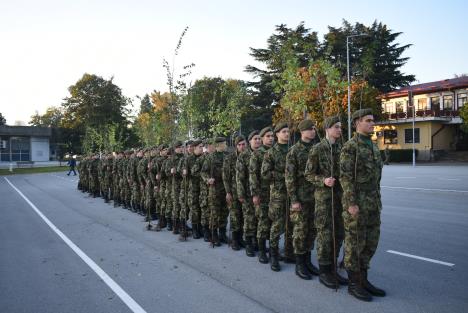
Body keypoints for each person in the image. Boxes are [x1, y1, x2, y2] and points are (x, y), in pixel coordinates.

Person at [340, 108, 386, 301]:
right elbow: (346, 177)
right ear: (357, 122)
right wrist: (351, 203)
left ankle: (363, 280)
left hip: (373, 203)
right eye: (368, 120)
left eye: (373, 120)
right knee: (355, 244)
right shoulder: (351, 147)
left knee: (370, 242)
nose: (372, 123)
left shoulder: (373, 146)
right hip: (357, 203)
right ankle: (353, 284)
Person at [305, 115, 348, 289]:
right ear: (328, 129)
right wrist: (323, 181)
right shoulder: (317, 149)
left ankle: (332, 268)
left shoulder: (343, 148)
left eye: (340, 127)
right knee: (324, 234)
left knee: (338, 233)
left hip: (340, 198)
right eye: (336, 127)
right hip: (324, 199)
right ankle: (324, 272)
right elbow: (308, 174)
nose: (339, 129)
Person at [285, 119, 319, 280]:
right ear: (302, 132)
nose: (313, 131)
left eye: (314, 128)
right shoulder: (294, 151)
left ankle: (307, 261)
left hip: (314, 196)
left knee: (311, 230)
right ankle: (299, 264)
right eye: (310, 129)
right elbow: (290, 178)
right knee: (300, 231)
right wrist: (294, 200)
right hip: (300, 197)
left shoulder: (315, 148)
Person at [261, 122, 293, 272]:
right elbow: (265, 173)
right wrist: (283, 175)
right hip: (278, 194)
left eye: (288, 131)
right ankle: (273, 254)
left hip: (293, 194)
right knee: (277, 226)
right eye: (284, 131)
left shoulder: (292, 150)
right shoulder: (271, 153)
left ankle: (288, 252)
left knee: (291, 225)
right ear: (277, 134)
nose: (287, 134)